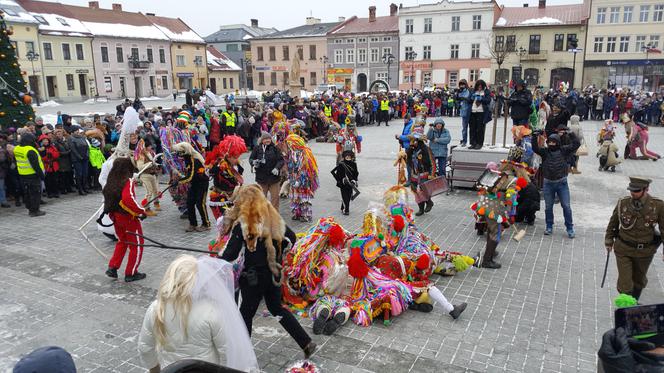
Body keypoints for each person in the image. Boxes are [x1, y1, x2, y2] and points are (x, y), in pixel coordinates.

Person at [221, 185, 317, 359]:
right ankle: (306, 342)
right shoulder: (273, 217)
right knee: (277, 308)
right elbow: (292, 238)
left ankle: (244, 356)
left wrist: (216, 257)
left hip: (253, 279)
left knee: (245, 315)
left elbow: (230, 255)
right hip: (274, 274)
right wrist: (280, 255)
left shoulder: (244, 222)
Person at [138, 255, 259, 372]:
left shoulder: (157, 308)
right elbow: (226, 351)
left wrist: (154, 368)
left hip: (171, 369)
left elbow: (145, 347)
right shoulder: (211, 311)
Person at [605, 177, 664, 301]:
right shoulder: (623, 203)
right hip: (623, 248)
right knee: (625, 283)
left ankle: (633, 303)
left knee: (639, 281)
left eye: (636, 191)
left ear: (646, 189)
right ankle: (625, 306)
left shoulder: (658, 205)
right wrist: (609, 240)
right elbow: (613, 222)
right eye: (631, 190)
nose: (633, 193)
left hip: (645, 252)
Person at [103, 158, 155, 282]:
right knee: (136, 244)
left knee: (122, 241)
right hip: (128, 218)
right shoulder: (127, 181)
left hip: (115, 216)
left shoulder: (111, 181)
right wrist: (141, 211)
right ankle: (131, 272)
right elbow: (128, 199)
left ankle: (113, 267)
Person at [532, 131, 580, 238]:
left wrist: (570, 134)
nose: (552, 144)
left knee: (566, 206)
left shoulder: (563, 150)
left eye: (554, 142)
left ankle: (570, 227)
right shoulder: (545, 152)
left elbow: (576, 144)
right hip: (548, 183)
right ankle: (549, 226)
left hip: (562, 183)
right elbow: (535, 148)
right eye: (550, 142)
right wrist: (535, 136)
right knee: (548, 207)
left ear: (558, 143)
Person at [206, 135, 246, 221]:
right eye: (235, 157)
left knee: (234, 224)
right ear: (228, 156)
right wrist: (216, 163)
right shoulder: (220, 165)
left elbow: (239, 178)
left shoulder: (236, 166)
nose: (237, 159)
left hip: (233, 198)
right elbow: (210, 172)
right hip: (219, 199)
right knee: (224, 225)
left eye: (238, 156)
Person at [173, 142, 210, 232]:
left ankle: (206, 224)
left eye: (179, 152)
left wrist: (179, 182)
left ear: (184, 151)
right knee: (189, 203)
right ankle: (193, 223)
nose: (178, 154)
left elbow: (191, 176)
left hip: (202, 183)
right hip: (194, 183)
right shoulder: (187, 158)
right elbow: (189, 173)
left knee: (200, 203)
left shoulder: (194, 159)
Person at [13, 132, 46, 217]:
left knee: (27, 193)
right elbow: (36, 166)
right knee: (35, 193)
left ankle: (30, 209)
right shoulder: (30, 150)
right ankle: (35, 211)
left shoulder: (17, 148)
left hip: (22, 174)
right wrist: (42, 176)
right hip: (33, 175)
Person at [249, 132, 284, 211]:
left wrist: (277, 168)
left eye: (269, 139)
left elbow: (281, 160)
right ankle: (263, 216)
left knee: (275, 199)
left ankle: (275, 216)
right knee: (261, 198)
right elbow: (251, 158)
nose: (267, 140)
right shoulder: (257, 148)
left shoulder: (275, 148)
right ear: (262, 140)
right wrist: (254, 162)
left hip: (274, 178)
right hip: (261, 179)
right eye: (265, 139)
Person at [407, 132, 434, 216]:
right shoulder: (412, 149)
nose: (411, 142)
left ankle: (429, 202)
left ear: (417, 141)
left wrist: (431, 174)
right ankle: (421, 209)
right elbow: (408, 161)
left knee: (423, 191)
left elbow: (432, 162)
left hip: (424, 173)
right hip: (414, 174)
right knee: (416, 192)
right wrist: (409, 151)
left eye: (413, 140)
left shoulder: (425, 149)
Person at [135, 140, 161, 213]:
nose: (151, 147)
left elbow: (152, 162)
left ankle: (156, 203)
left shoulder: (150, 153)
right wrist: (149, 164)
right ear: (145, 147)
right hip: (145, 176)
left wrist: (156, 164)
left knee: (155, 190)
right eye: (149, 146)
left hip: (152, 174)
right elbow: (140, 167)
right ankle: (146, 208)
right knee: (149, 192)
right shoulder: (140, 155)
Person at [330, 150, 358, 216]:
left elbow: (356, 173)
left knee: (348, 196)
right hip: (343, 184)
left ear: (351, 157)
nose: (348, 158)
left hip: (350, 184)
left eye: (349, 157)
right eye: (347, 157)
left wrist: (354, 180)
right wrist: (340, 180)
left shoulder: (354, 164)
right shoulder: (341, 164)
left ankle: (343, 206)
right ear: (344, 157)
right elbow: (334, 172)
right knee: (345, 196)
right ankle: (346, 210)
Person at [468, 80, 491, 149]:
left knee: (480, 129)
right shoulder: (473, 91)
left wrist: (481, 99)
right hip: (473, 111)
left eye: (481, 87)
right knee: (472, 128)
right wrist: (471, 97)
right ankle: (473, 143)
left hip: (481, 112)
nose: (479, 88)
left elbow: (488, 100)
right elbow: (469, 100)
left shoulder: (486, 92)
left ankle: (479, 143)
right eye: (478, 86)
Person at [68, 125, 90, 195]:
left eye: (78, 130)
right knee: (79, 174)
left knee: (85, 173)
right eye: (76, 130)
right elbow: (73, 149)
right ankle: (80, 189)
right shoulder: (71, 138)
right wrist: (80, 157)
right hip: (77, 159)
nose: (78, 131)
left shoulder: (82, 137)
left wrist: (87, 155)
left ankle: (85, 187)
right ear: (72, 132)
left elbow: (87, 147)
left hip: (85, 158)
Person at [456, 79, 471, 146]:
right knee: (464, 128)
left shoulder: (468, 91)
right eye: (461, 84)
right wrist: (457, 94)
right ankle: (464, 140)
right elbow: (457, 99)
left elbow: (470, 100)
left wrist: (464, 98)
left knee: (471, 128)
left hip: (469, 111)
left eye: (463, 84)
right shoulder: (459, 92)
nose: (462, 86)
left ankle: (472, 141)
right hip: (463, 112)